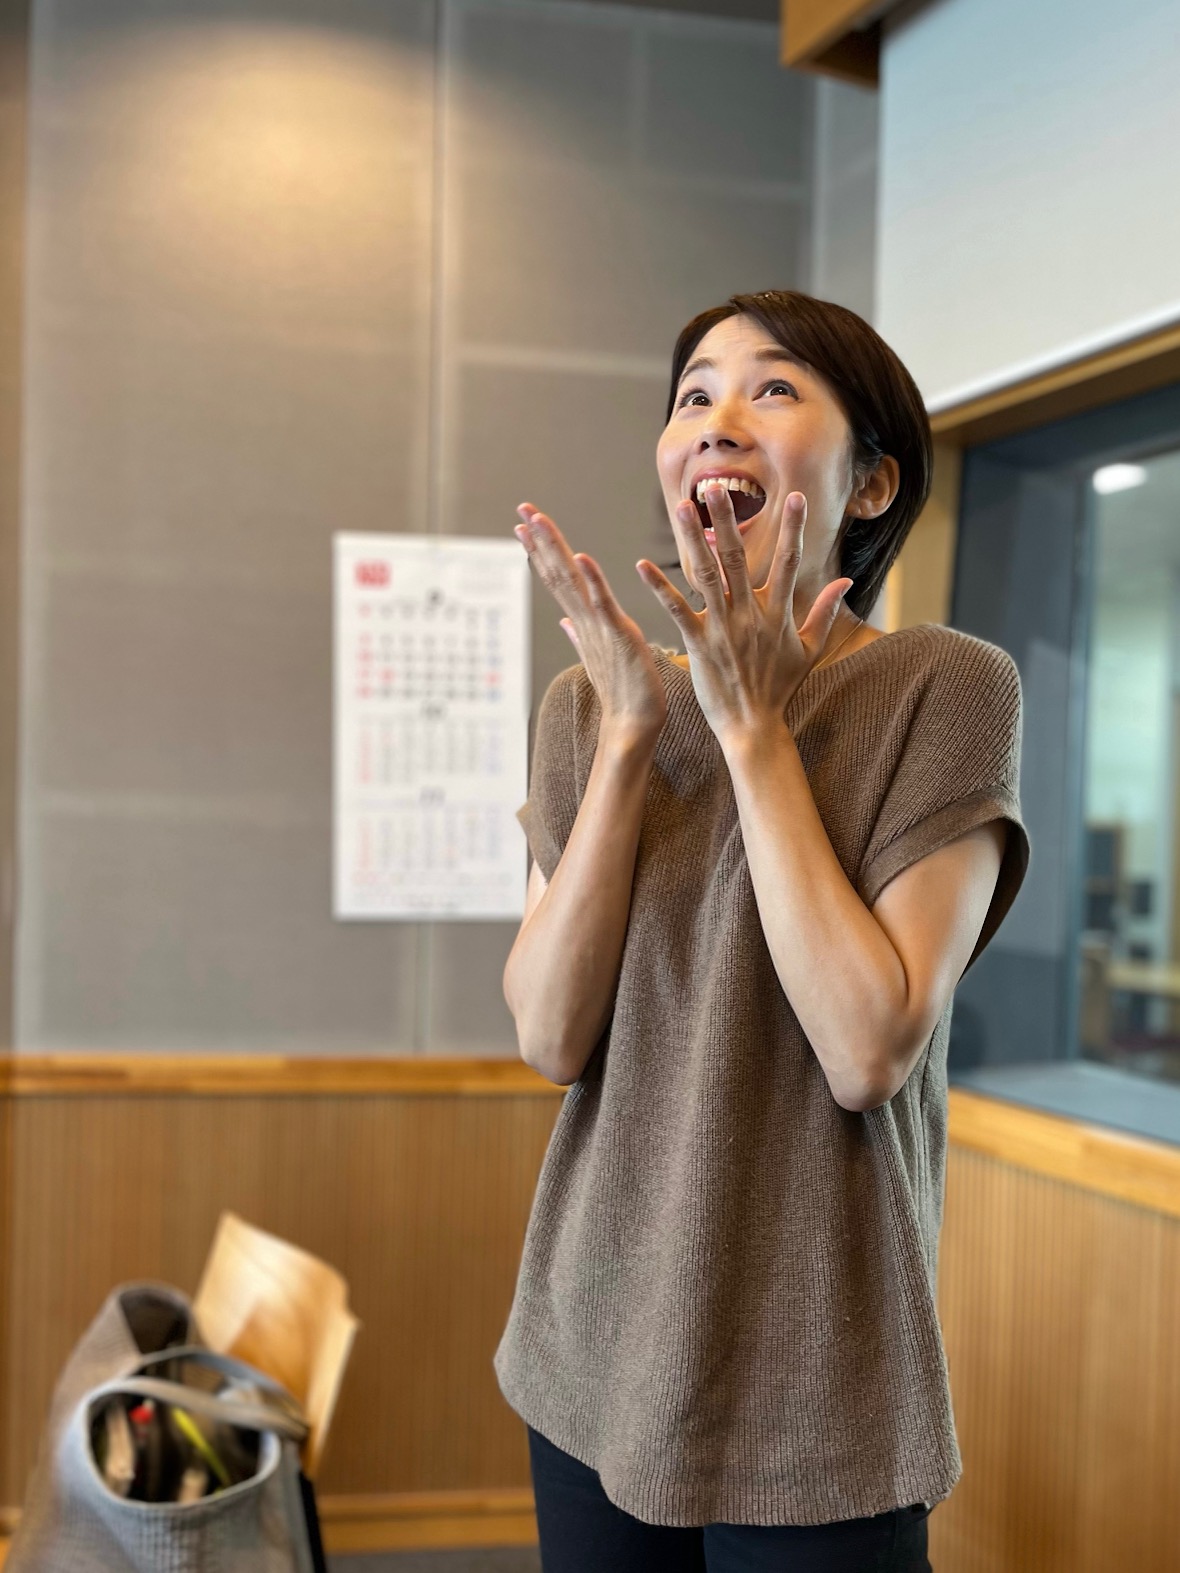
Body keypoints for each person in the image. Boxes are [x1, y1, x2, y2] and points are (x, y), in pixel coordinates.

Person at [494, 289, 1030, 1572]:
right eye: (693, 394)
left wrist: (749, 733)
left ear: (870, 484)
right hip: (587, 1342)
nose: (716, 418)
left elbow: (866, 1048)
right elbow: (549, 1034)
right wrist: (632, 738)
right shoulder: (589, 704)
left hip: (819, 1383)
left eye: (773, 388)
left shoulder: (946, 687)